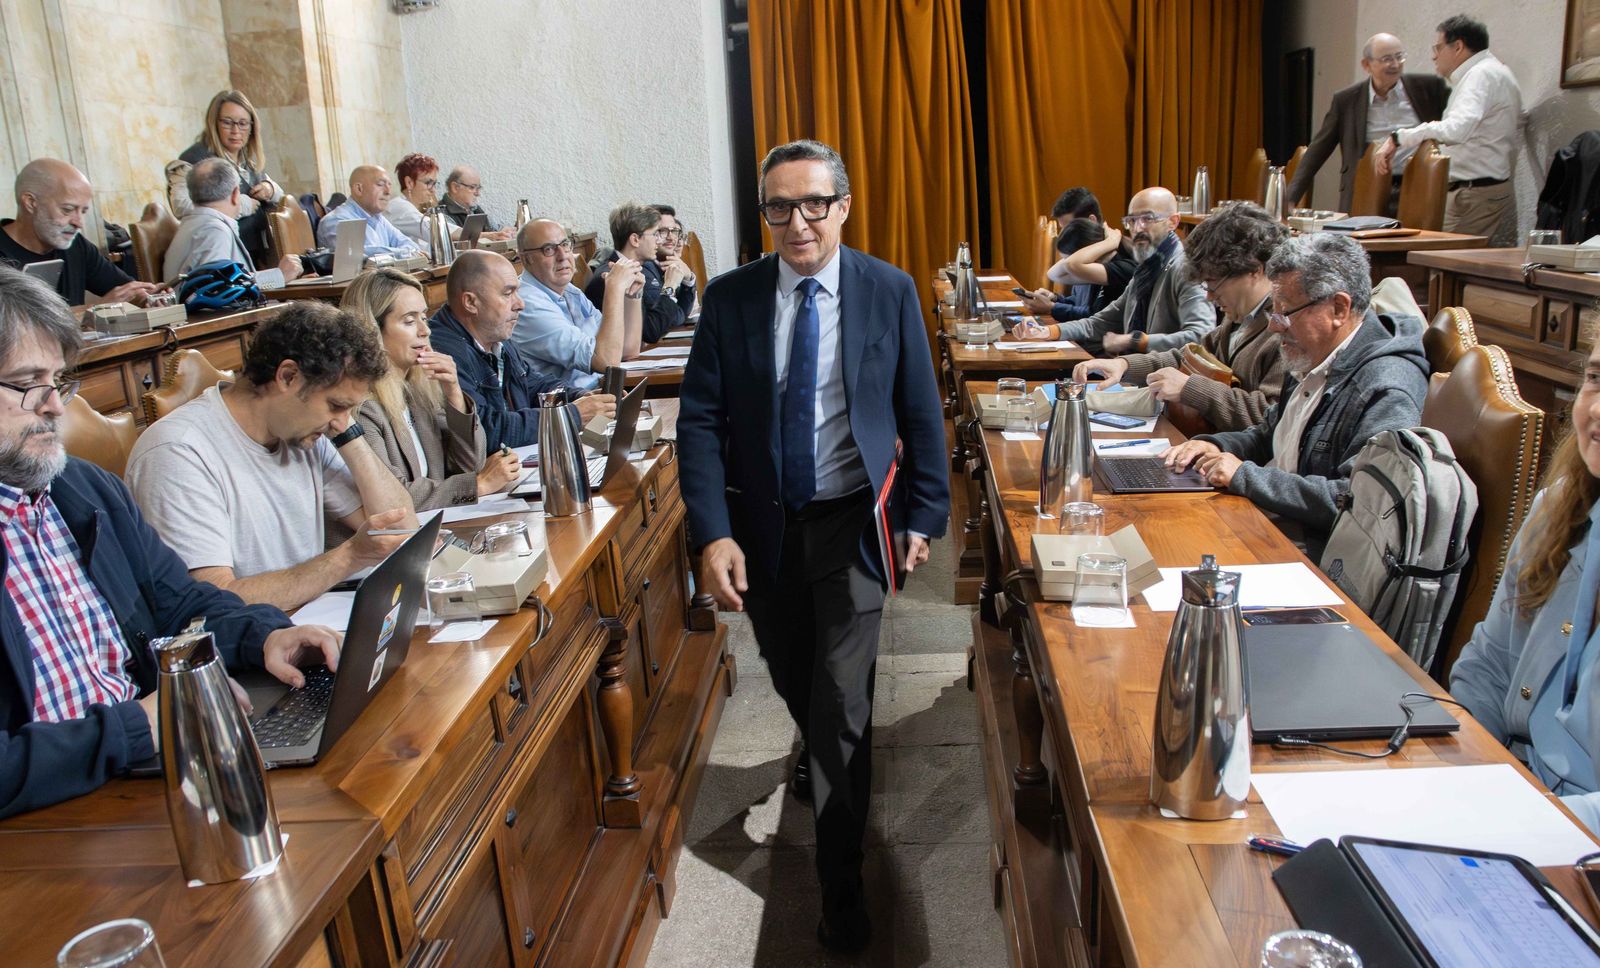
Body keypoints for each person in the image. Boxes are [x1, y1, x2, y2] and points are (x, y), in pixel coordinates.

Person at [678, 139, 949, 953]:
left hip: (852, 522)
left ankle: (842, 887)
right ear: (763, 212)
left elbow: (919, 408)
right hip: (762, 526)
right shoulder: (730, 300)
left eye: (813, 204)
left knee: (839, 707)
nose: (797, 223)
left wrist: (924, 515)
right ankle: (819, 749)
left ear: (843, 206)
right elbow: (699, 421)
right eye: (779, 207)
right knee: (796, 674)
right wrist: (713, 533)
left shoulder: (887, 289)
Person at [0, 267, 340, 819]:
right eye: (28, 383)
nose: (54, 407)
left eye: (59, 382)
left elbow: (179, 604)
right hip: (44, 826)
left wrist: (266, 636)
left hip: (140, 776)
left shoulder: (84, 490)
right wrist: (140, 724)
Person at [125, 302, 418, 612]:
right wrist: (349, 556)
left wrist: (348, 433)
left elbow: (400, 527)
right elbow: (212, 601)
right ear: (288, 377)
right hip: (246, 648)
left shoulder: (301, 434)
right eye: (335, 405)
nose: (339, 420)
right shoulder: (179, 452)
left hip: (305, 625)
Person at [1162, 233, 1428, 558]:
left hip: (1318, 555)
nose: (1275, 328)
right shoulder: (1311, 354)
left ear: (1339, 309)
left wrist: (1246, 476)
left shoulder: (1386, 385)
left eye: (1285, 314)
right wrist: (1216, 445)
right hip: (1273, 522)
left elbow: (1361, 504)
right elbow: (1268, 435)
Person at [1450, 339, 1600, 834]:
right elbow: (1489, 666)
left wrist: (1520, 822)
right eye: (1595, 379)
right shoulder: (1562, 507)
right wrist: (1460, 779)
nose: (1595, 409)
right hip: (1512, 794)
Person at [1072, 203, 1288, 433]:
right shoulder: (1238, 317)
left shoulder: (1284, 332)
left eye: (1214, 283)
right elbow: (1187, 357)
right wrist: (1123, 365)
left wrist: (1190, 389)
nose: (1209, 295)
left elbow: (1270, 416)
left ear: (1255, 270)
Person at [341, 267, 519, 511]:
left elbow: (469, 465)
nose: (425, 331)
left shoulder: (416, 393)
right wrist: (477, 485)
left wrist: (455, 394)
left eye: (424, 318)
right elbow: (393, 497)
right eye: (409, 321)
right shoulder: (360, 409)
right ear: (371, 331)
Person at [428, 250, 615, 452]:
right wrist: (573, 415)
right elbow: (486, 430)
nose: (520, 304)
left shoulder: (497, 336)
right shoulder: (444, 353)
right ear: (471, 302)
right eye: (508, 294)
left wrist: (580, 397)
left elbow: (533, 385)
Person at [1012, 186, 1214, 356]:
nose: (1137, 228)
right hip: (1133, 374)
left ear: (1173, 221)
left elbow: (1202, 336)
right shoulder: (1146, 268)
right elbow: (1100, 322)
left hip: (1161, 385)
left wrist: (1137, 341)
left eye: (1147, 219)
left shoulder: (1185, 270)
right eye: (1132, 221)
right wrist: (1047, 331)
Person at [1375, 15, 1523, 241]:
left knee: (1443, 266)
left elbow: (1456, 131)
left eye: (1438, 47)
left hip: (1474, 194)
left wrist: (1400, 138)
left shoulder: (1480, 75)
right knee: (1440, 265)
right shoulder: (1495, 71)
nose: (1434, 55)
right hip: (1477, 189)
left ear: (1458, 47)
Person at [1284, 33, 1448, 214]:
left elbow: (1454, 124)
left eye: (1399, 57)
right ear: (1366, 65)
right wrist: (1291, 198)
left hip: (1416, 188)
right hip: (1366, 190)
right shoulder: (1346, 100)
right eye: (1386, 59)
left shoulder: (1428, 88)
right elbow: (1318, 149)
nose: (1395, 64)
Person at [0, 159, 156, 307]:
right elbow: (12, 330)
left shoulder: (76, 246)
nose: (78, 222)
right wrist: (95, 311)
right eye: (67, 210)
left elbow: (126, 290)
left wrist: (149, 295)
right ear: (30, 203)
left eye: (83, 211)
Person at [514, 217, 643, 391]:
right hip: (563, 410)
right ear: (526, 259)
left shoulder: (570, 291)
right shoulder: (526, 303)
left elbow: (627, 349)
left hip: (594, 397)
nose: (563, 256)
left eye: (565, 244)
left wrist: (633, 294)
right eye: (549, 249)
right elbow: (607, 361)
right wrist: (614, 289)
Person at [165, 90, 285, 265]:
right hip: (224, 255)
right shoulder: (194, 159)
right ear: (214, 124)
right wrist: (240, 204)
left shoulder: (246, 161)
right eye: (228, 123)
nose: (236, 131)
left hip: (254, 255)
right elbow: (182, 206)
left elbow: (280, 196)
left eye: (243, 123)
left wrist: (270, 188)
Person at [164, 159, 308, 289]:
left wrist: (287, 279)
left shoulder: (193, 224)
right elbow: (218, 289)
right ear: (235, 194)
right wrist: (279, 276)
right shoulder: (214, 231)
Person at [583, 203, 683, 345]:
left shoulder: (632, 270)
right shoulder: (611, 276)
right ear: (635, 239)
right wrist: (670, 287)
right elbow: (650, 332)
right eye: (655, 234)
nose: (659, 240)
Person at [1017, 216, 1138, 323]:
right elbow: (1079, 301)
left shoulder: (1122, 269)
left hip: (1101, 341)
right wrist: (1055, 298)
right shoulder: (1090, 266)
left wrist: (1052, 307)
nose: (1065, 265)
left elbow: (1095, 317)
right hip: (1084, 335)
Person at [315, 166, 426, 258]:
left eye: (389, 185)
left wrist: (407, 252)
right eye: (380, 184)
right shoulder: (337, 220)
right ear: (359, 189)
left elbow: (410, 245)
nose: (388, 192)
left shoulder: (378, 218)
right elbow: (359, 256)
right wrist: (404, 253)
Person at [387, 152, 448, 245]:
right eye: (428, 183)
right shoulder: (399, 207)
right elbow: (437, 230)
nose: (433, 190)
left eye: (434, 184)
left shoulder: (419, 208)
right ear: (409, 183)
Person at [651, 204, 699, 317]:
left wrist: (689, 279)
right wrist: (670, 285)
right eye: (663, 231)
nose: (672, 238)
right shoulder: (644, 269)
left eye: (675, 232)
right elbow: (672, 317)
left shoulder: (675, 266)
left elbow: (683, 313)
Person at [440, 165, 500, 231]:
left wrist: (507, 232)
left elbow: (496, 229)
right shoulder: (442, 214)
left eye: (478, 188)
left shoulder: (475, 209)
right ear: (455, 187)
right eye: (472, 187)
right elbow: (459, 238)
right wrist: (492, 236)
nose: (478, 193)